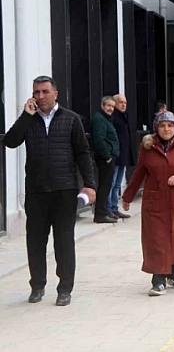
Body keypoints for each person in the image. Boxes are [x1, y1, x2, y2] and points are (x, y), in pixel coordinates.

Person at [4, 75, 97, 306]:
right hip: (36, 191)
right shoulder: (30, 120)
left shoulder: (71, 119)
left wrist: (89, 184)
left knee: (64, 241)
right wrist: (26, 115)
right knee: (35, 241)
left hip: (64, 189)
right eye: (36, 92)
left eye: (45, 92)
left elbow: (83, 154)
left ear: (55, 94)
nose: (40, 96)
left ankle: (64, 289)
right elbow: (11, 141)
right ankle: (37, 286)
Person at [122, 111, 174, 296]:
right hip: (156, 201)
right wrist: (128, 196)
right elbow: (139, 172)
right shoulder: (148, 147)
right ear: (156, 128)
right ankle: (158, 280)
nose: (166, 129)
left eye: (170, 126)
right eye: (162, 126)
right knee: (157, 240)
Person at [90, 96, 120, 224]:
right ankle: (100, 214)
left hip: (108, 156)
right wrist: (107, 155)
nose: (111, 109)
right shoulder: (100, 119)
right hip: (104, 158)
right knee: (104, 185)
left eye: (113, 107)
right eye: (108, 106)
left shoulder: (105, 119)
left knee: (107, 185)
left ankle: (105, 210)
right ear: (102, 106)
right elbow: (99, 139)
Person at [110, 94, 134, 220]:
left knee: (118, 184)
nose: (123, 105)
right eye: (120, 102)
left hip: (123, 155)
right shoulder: (113, 118)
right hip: (115, 156)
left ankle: (114, 207)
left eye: (125, 102)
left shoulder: (124, 117)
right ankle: (109, 208)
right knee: (112, 183)